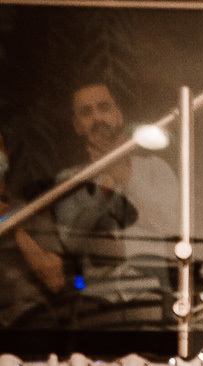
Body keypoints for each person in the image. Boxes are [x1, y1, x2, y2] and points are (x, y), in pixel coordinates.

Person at [54, 78, 178, 325]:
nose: (97, 118)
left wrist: (121, 172)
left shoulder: (156, 168)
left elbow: (173, 226)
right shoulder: (69, 179)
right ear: (77, 126)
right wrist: (102, 196)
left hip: (151, 298)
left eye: (104, 107)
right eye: (86, 112)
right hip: (96, 305)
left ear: (118, 114)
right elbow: (70, 242)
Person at [0, 127, 64, 336]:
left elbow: (55, 281)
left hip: (31, 324)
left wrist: (14, 226)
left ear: (6, 155)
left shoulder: (32, 213)